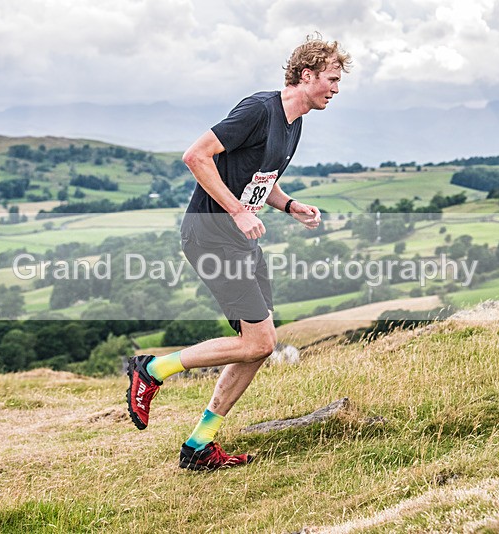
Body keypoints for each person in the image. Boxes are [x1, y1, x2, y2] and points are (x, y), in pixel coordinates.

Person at [126, 35, 351, 471]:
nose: (336, 89)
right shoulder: (260, 110)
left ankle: (199, 444)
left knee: (258, 346)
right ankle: (151, 370)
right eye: (332, 79)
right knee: (260, 341)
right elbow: (196, 156)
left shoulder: (294, 121)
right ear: (307, 75)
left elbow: (259, 179)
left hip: (238, 240)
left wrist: (289, 205)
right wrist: (236, 211)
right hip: (211, 234)